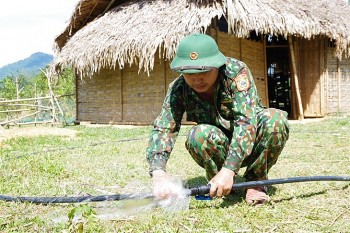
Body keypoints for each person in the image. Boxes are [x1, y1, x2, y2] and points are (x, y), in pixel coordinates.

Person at [146, 33, 289, 205]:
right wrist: (158, 172)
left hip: (251, 143)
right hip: (218, 145)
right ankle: (218, 180)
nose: (197, 78)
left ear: (217, 65)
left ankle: (255, 181)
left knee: (276, 119)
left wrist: (229, 169)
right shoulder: (178, 88)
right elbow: (164, 128)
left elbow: (246, 123)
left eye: (204, 71)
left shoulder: (235, 73)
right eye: (189, 72)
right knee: (197, 135)